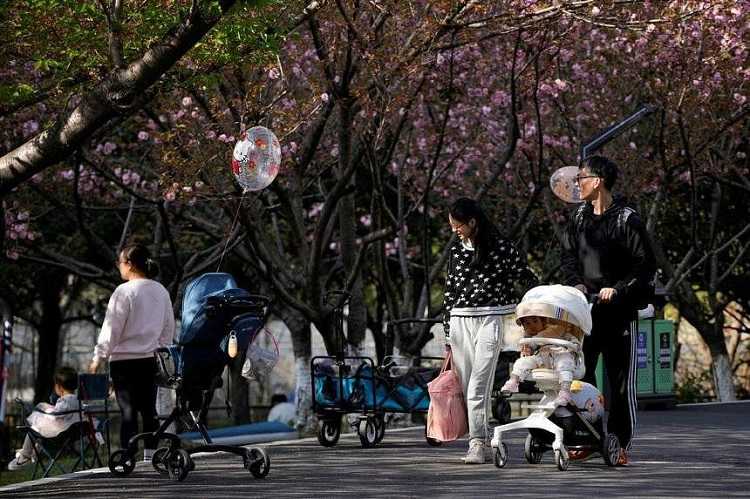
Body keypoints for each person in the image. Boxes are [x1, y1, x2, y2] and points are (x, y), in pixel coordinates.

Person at [560, 155, 656, 466]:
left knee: (618, 384)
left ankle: (618, 442)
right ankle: (584, 438)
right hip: (585, 314)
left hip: (618, 314)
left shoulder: (627, 219)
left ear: (598, 180)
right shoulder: (577, 218)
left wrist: (619, 288)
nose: (577, 184)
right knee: (579, 378)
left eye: (582, 178)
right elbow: (568, 257)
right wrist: (575, 284)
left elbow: (645, 267)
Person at [443, 197, 537, 464]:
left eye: (457, 225)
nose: (454, 230)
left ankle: (476, 442)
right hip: (460, 321)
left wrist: (536, 306)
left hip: (492, 319)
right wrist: (447, 333)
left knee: (478, 386)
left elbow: (526, 277)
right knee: (466, 387)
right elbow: (449, 292)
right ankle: (481, 440)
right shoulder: (457, 251)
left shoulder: (503, 248)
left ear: (473, 222)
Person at [89, 242, 175, 462]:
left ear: (128, 264)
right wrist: (161, 348)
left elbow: (112, 328)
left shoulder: (124, 291)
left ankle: (128, 454)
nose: (119, 266)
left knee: (128, 411)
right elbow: (168, 326)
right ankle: (151, 454)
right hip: (150, 359)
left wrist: (99, 356)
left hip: (123, 362)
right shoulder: (161, 290)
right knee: (149, 410)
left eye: (120, 262)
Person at [500, 315, 584, 407]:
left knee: (565, 361)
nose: (532, 326)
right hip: (541, 360)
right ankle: (513, 381)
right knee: (522, 362)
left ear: (543, 321)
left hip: (559, 354)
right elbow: (530, 349)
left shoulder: (558, 330)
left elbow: (574, 342)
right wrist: (527, 350)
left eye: (535, 321)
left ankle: (565, 391)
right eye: (527, 323)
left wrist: (573, 345)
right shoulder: (532, 339)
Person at [8, 366, 81, 470]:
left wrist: (46, 411)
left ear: (59, 387)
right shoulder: (79, 401)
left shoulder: (64, 402)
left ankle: (25, 456)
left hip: (60, 436)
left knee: (33, 428)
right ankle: (30, 452)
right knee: (38, 429)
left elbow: (56, 417)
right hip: (73, 434)